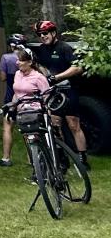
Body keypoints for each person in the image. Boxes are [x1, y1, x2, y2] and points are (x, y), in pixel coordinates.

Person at [30, 20, 88, 165]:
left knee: (73, 124)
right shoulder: (41, 49)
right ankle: (62, 156)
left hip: (69, 90)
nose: (42, 36)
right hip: (53, 92)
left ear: (53, 33)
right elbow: (40, 65)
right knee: (55, 124)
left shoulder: (64, 48)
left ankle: (82, 158)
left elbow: (78, 68)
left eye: (45, 33)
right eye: (39, 34)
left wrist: (57, 77)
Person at [0, 34, 24, 167]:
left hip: (11, 93)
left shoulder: (6, 58)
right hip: (26, 95)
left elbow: (2, 78)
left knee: (7, 126)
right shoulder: (29, 58)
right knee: (28, 127)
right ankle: (33, 158)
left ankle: (6, 158)